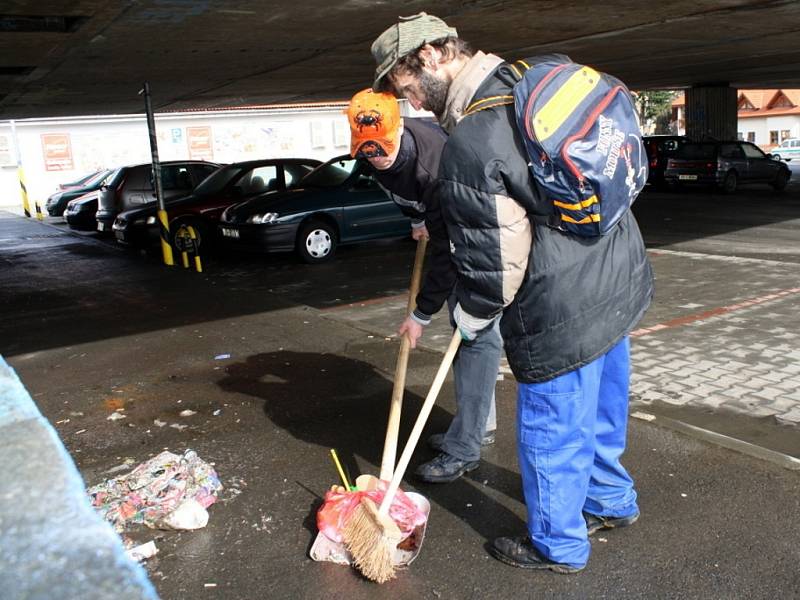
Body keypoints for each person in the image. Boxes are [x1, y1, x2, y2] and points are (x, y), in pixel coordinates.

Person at [369, 13, 654, 573]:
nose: (417, 105)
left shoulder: (472, 140)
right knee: (601, 408)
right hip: (618, 273)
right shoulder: (535, 74)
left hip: (560, 305)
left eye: (408, 90)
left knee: (551, 430)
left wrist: (470, 317)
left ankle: (559, 545)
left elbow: (496, 266)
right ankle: (612, 500)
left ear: (430, 57)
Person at [347, 88, 503, 483]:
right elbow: (399, 191)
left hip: (483, 245)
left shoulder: (435, 168)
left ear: (398, 130)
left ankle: (465, 447)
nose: (375, 158)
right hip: (449, 229)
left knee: (474, 338)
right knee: (469, 341)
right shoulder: (370, 155)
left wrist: (420, 314)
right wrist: (416, 219)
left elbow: (448, 257)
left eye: (381, 149)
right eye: (366, 151)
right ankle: (476, 427)